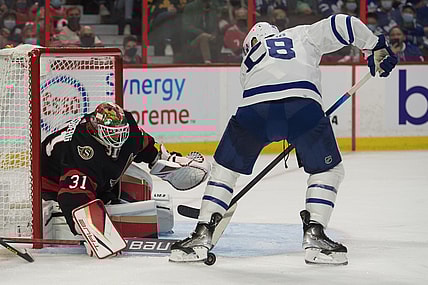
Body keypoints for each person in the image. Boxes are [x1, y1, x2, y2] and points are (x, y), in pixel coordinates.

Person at [169, 14, 398, 265]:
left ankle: (202, 233)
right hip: (302, 106)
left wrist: (279, 125)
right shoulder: (300, 34)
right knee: (328, 171)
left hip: (254, 109)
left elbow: (270, 103)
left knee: (224, 171)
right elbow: (344, 23)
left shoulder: (248, 61)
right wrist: (374, 45)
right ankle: (315, 235)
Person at [41, 102, 210, 244]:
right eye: (112, 133)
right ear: (97, 130)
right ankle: (64, 214)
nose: (118, 138)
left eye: (121, 132)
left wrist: (167, 161)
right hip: (53, 188)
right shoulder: (82, 150)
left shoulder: (128, 128)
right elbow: (72, 196)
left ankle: (105, 199)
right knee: (137, 220)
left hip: (91, 179)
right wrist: (95, 234)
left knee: (142, 181)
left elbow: (146, 148)